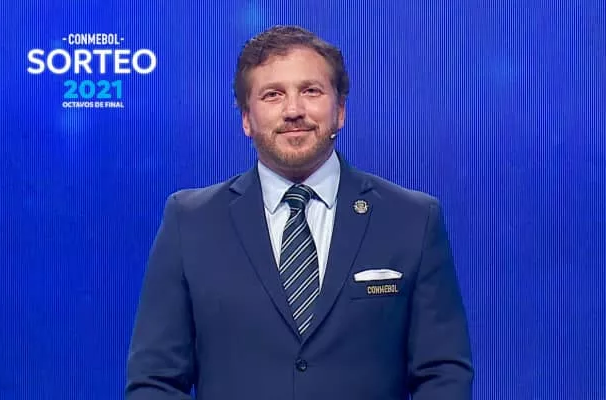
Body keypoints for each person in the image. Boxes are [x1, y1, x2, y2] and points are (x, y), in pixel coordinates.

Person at [125, 25, 473, 399]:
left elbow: (442, 374)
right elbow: (155, 380)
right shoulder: (191, 222)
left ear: (340, 111)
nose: (293, 111)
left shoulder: (412, 219)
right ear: (246, 118)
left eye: (311, 91)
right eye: (273, 95)